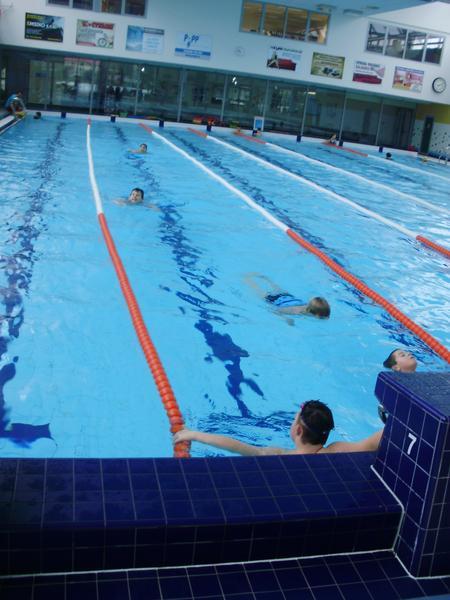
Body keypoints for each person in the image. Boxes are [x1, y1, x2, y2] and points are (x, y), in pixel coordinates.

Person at [173, 400, 382, 456]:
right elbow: (373, 442)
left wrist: (195, 435)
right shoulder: (336, 450)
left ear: (298, 431)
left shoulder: (282, 456)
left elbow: (236, 446)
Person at [245, 273, 330, 320]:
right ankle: (247, 280)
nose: (327, 318)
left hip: (288, 297)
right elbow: (275, 311)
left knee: (275, 286)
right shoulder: (295, 311)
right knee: (257, 290)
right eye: (323, 317)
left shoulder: (309, 305)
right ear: (317, 315)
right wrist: (286, 319)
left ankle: (266, 279)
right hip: (275, 299)